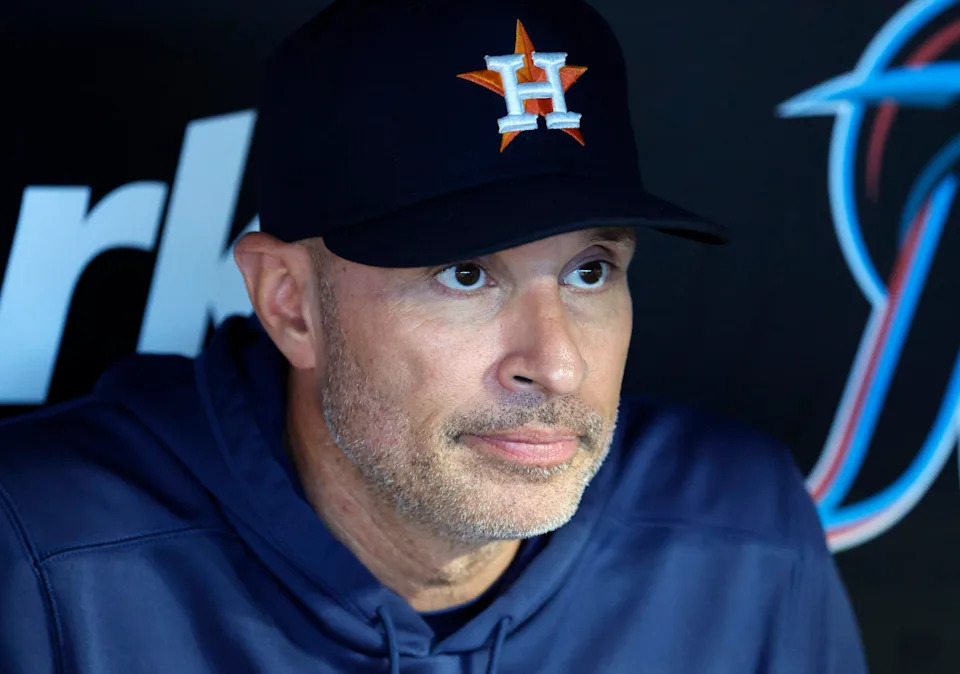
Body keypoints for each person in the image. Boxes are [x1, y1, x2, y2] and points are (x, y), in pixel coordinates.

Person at [0, 0, 868, 672]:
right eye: (465, 274)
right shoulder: (42, 547)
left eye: (590, 270)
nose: (556, 364)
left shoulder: (742, 531)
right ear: (290, 302)